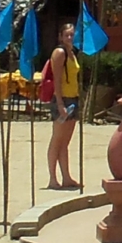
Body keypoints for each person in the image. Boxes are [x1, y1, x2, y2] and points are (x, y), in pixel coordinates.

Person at [44, 24, 82, 191]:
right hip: (63, 99)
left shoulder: (73, 53)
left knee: (65, 142)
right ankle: (53, 178)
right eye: (66, 35)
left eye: (72, 35)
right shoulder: (59, 53)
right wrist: (59, 103)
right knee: (57, 139)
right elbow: (57, 80)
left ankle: (66, 177)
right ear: (60, 37)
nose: (69, 38)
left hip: (73, 98)